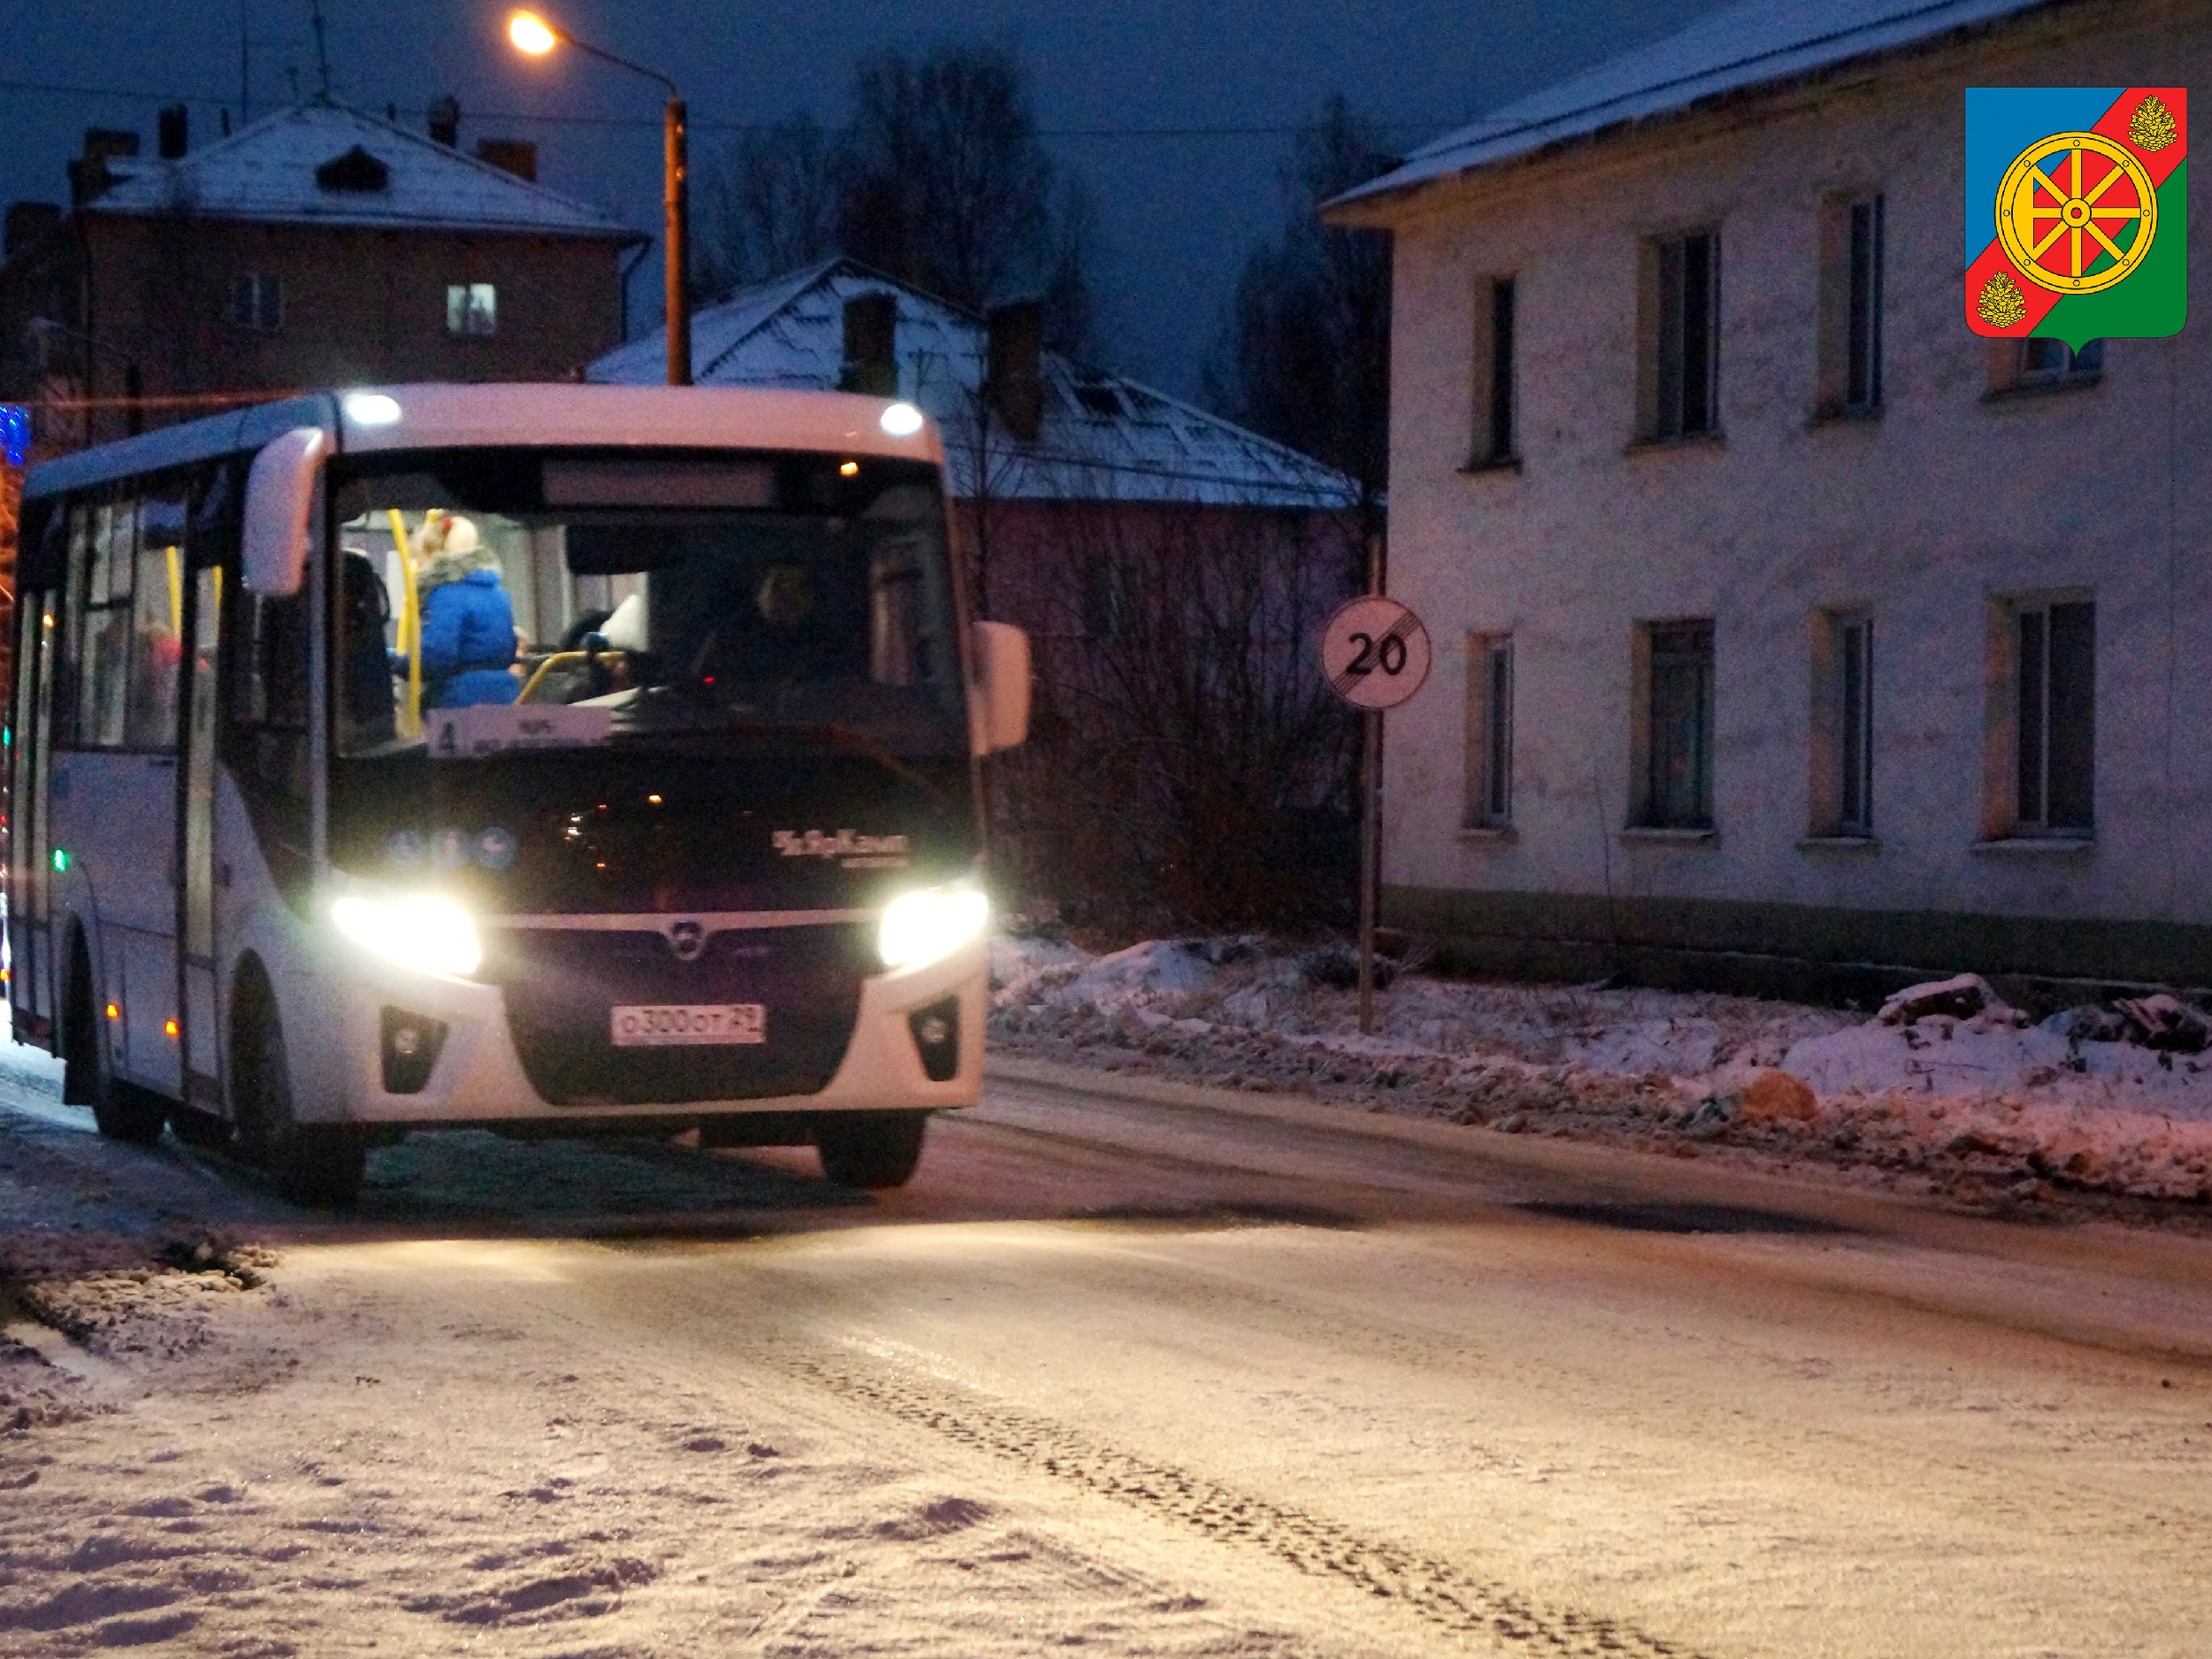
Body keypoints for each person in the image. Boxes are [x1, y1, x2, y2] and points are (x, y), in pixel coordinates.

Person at [413, 513, 518, 708]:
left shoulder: (445, 594)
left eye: (419, 560)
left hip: (461, 700)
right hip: (505, 694)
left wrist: (397, 662)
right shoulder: (498, 592)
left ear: (434, 557)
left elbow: (436, 657)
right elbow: (509, 648)